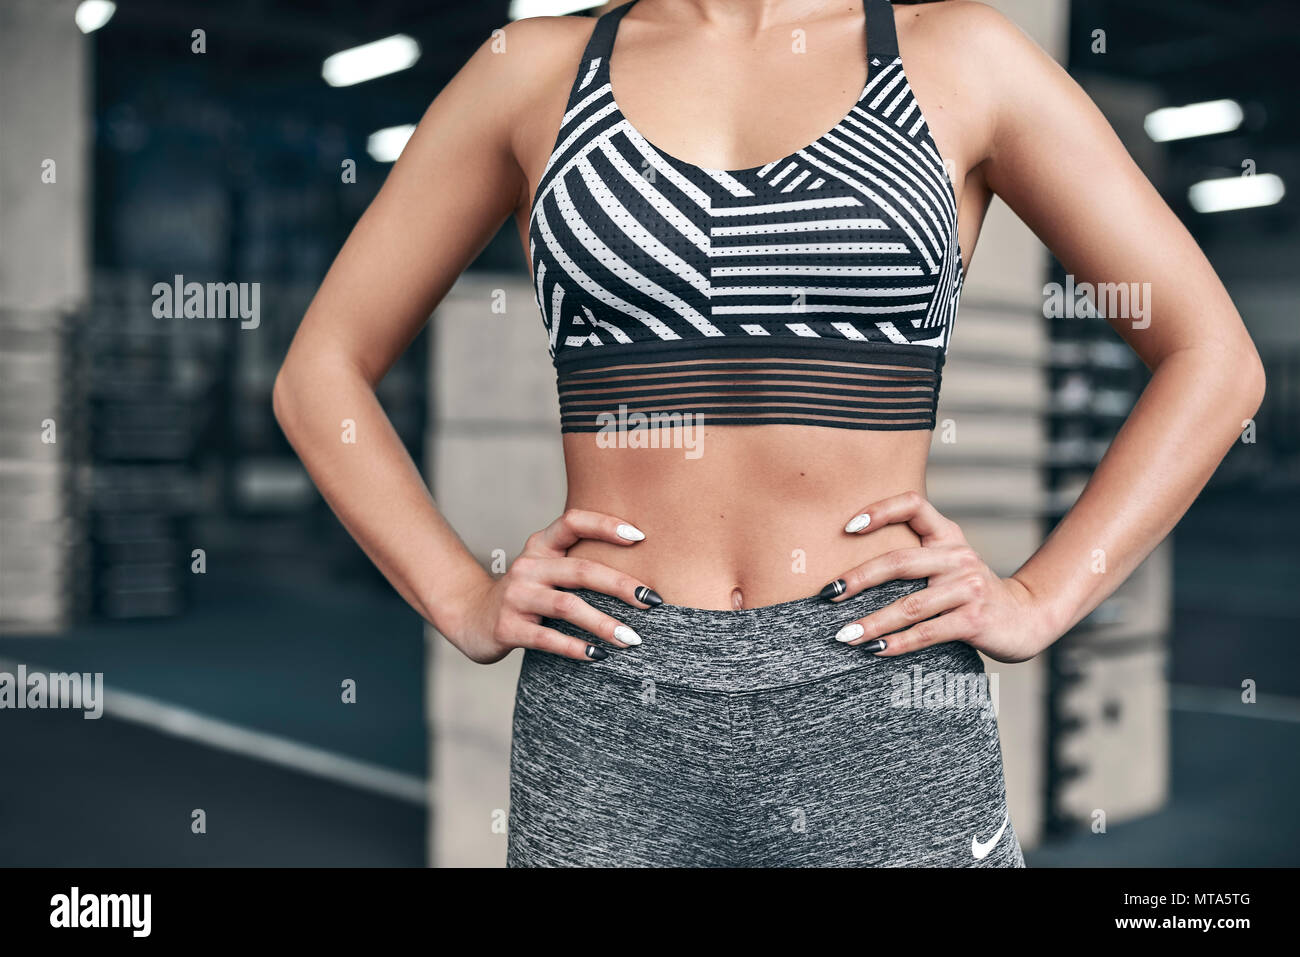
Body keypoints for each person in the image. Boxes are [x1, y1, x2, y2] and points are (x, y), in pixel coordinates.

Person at [273, 0, 1265, 866]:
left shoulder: (963, 57)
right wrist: (459, 595)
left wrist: (1041, 599)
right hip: (612, 701)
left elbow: (1213, 361)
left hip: (883, 701)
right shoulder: (531, 69)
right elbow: (320, 374)